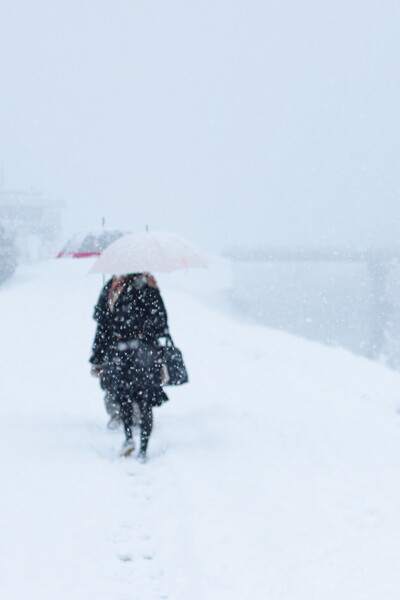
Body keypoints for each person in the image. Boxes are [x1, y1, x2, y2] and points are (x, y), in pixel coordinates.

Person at [89, 273, 170, 459]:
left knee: (124, 397)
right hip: (147, 354)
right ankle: (143, 448)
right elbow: (162, 324)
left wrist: (98, 357)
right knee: (146, 401)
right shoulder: (150, 287)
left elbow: (103, 326)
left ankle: (128, 438)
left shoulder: (113, 288)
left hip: (120, 352)